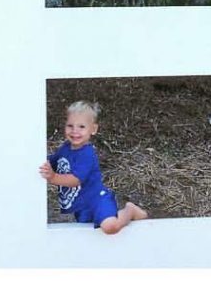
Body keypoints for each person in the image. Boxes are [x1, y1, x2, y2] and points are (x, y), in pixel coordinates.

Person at [38, 100, 147, 235]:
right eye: (70, 126)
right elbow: (51, 162)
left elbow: (75, 180)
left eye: (81, 127)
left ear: (93, 129)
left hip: (97, 200)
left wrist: (53, 177)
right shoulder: (65, 148)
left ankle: (129, 211)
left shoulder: (87, 154)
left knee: (110, 227)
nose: (74, 131)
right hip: (81, 207)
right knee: (92, 237)